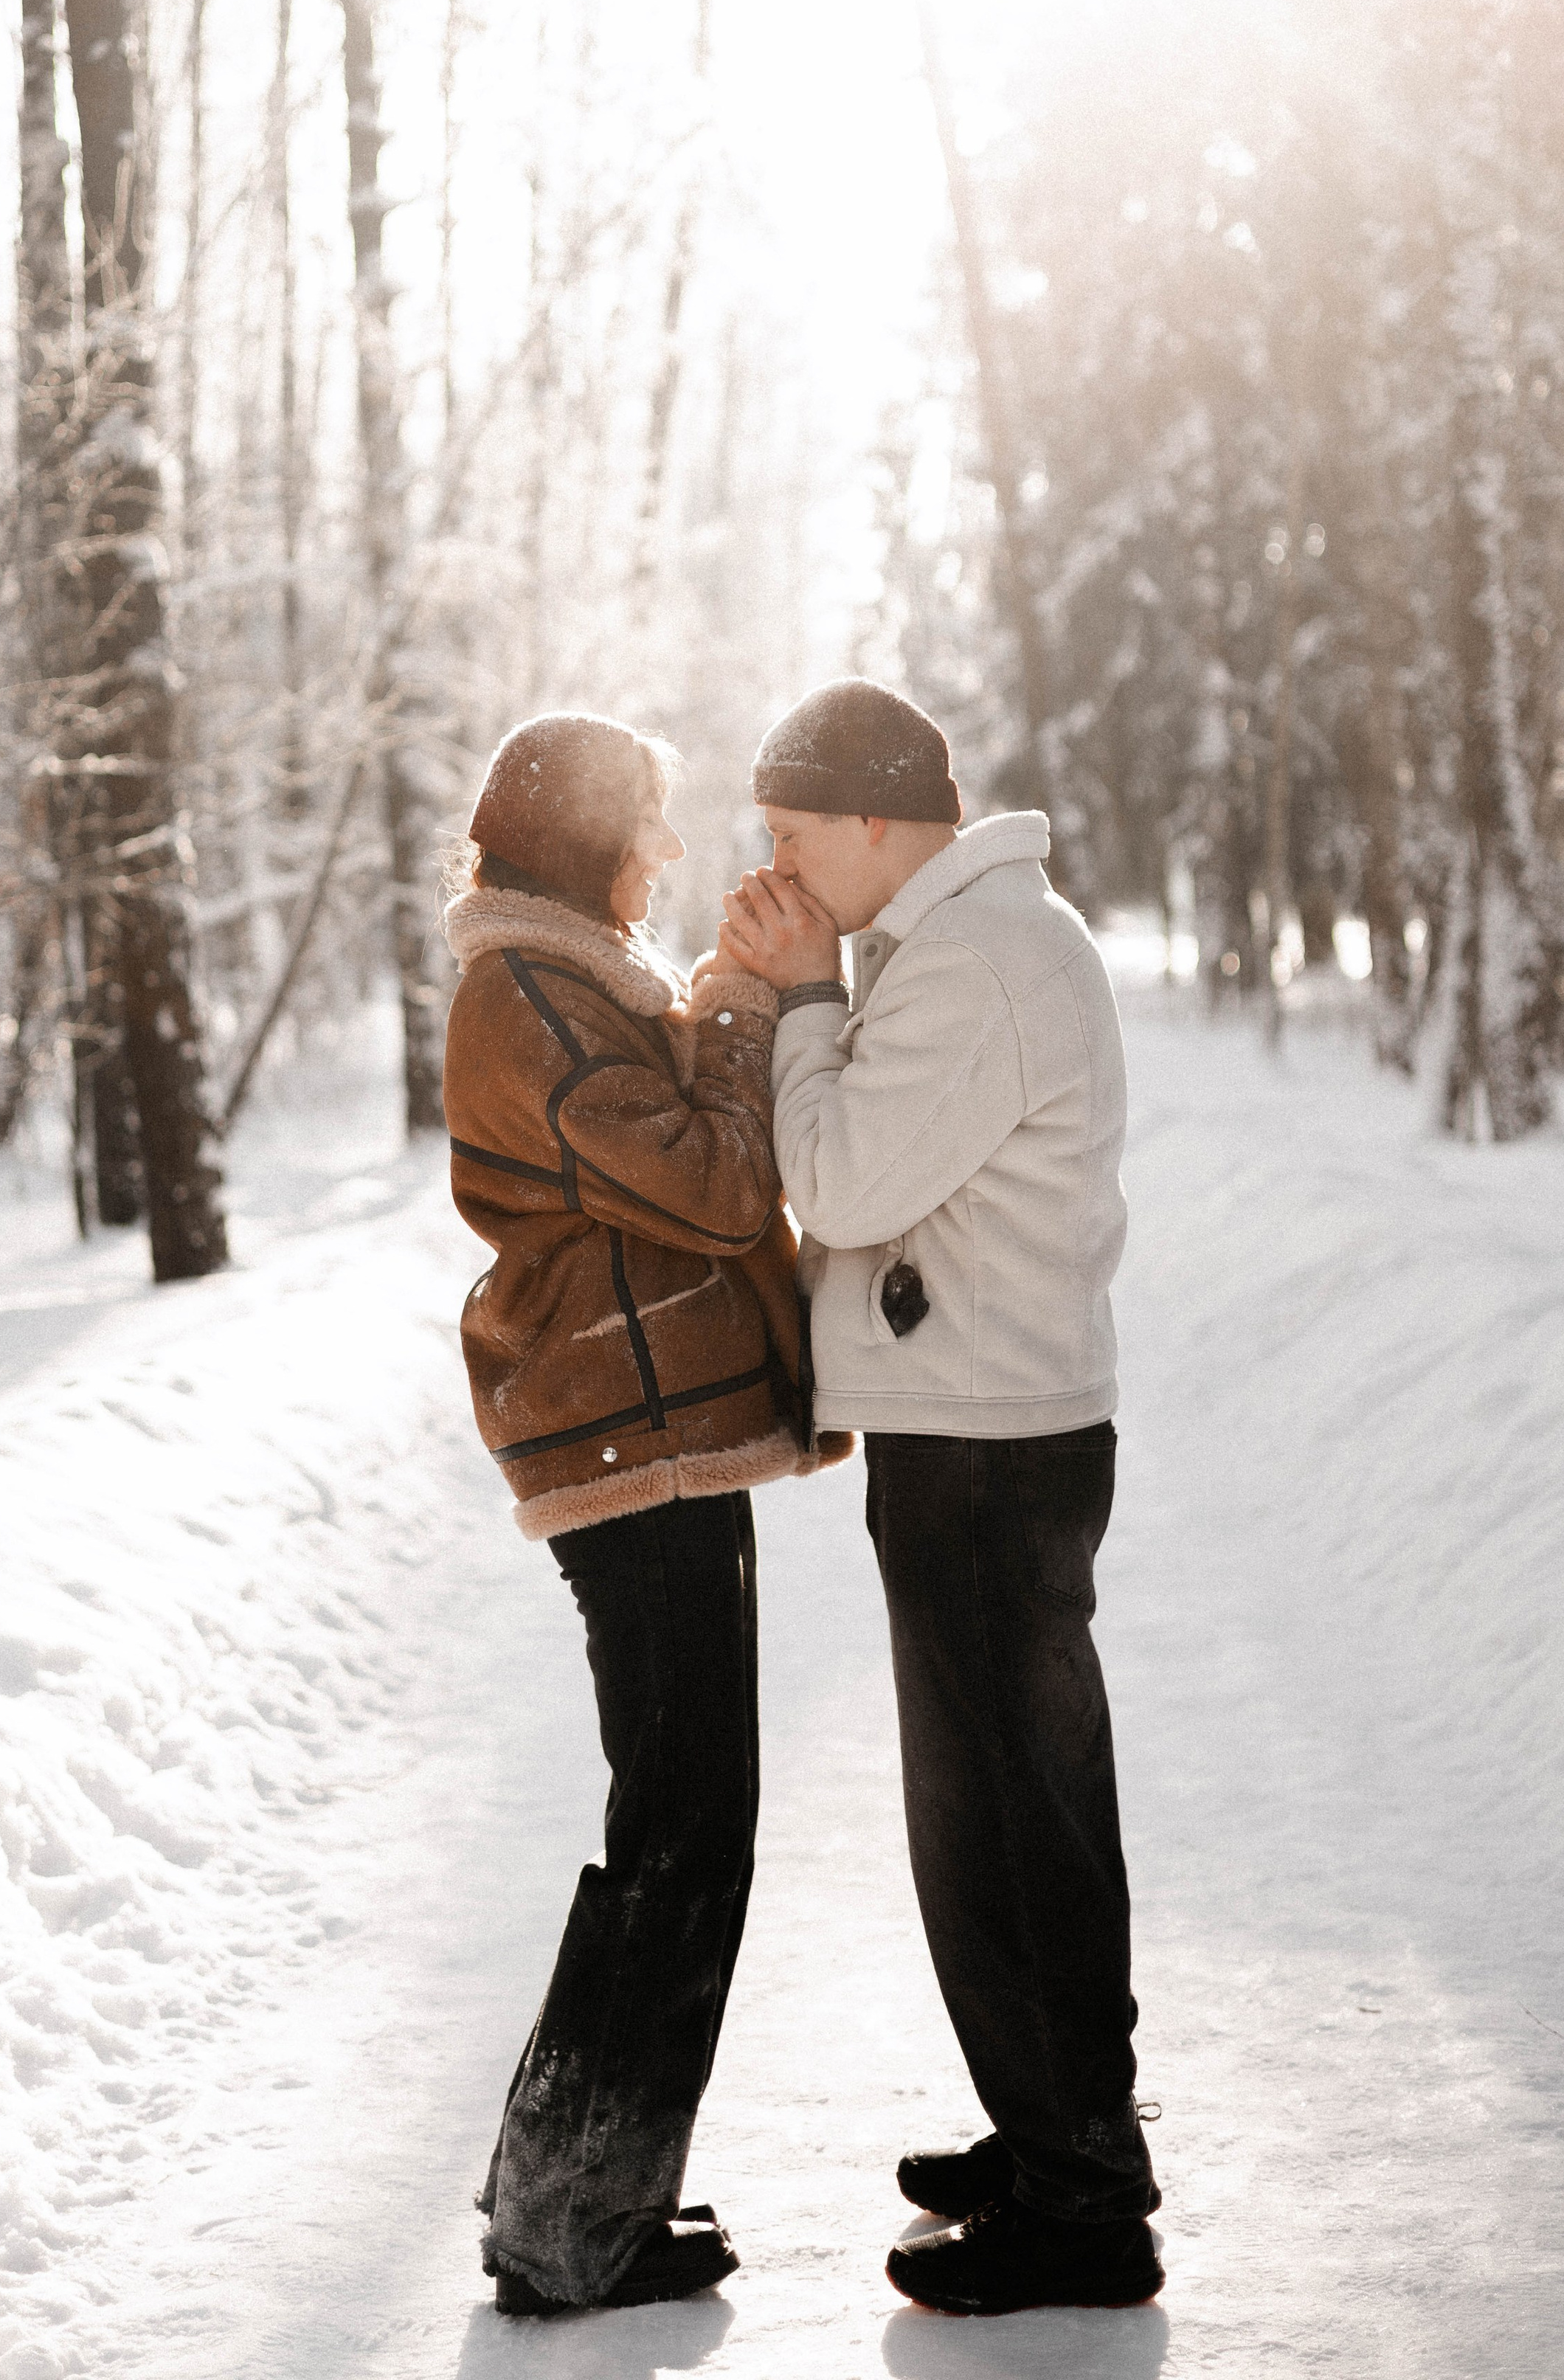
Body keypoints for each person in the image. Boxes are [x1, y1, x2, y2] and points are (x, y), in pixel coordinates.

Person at [717, 677, 1163, 2317]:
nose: (774, 863)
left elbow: (839, 1180)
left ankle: (1081, 2201)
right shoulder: (967, 938)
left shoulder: (972, 958)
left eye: (789, 832)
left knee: (1001, 1825)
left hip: (985, 1447)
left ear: (870, 816)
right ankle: (1054, 2130)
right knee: (1014, 1807)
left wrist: (799, 998)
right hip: (982, 1427)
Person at [442, 710, 852, 2320]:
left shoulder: (566, 982)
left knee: (682, 1815)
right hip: (631, 1444)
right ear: (579, 842)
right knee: (682, 1824)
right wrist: (741, 1007)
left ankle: (572, 2195)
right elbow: (714, 1184)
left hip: (652, 1435)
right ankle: (570, 2222)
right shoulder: (527, 997)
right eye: (646, 826)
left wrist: (715, 1003)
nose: (668, 854)